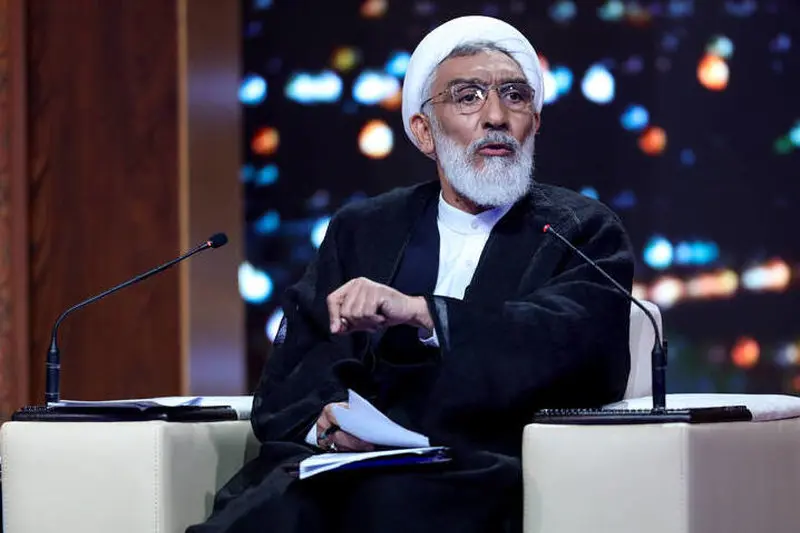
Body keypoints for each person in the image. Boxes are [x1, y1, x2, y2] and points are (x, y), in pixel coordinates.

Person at [188, 14, 634, 533]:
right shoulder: (365, 228)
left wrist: (427, 314)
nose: (496, 116)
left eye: (515, 96)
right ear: (424, 131)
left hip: (477, 467)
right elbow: (297, 368)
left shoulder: (578, 230)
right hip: (340, 467)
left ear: (534, 123)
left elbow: (579, 348)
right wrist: (324, 427)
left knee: (387, 507)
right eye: (468, 97)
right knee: (262, 515)